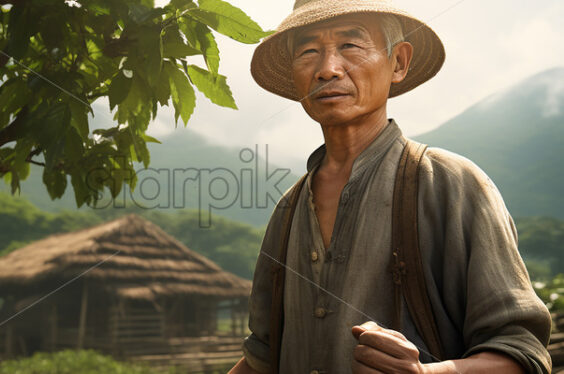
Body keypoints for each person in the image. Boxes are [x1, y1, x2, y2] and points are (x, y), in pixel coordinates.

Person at [227, 0, 553, 373]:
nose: (327, 69)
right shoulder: (288, 209)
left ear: (398, 62)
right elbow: (263, 357)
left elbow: (522, 353)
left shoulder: (451, 185)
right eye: (308, 51)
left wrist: (429, 373)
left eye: (350, 46)